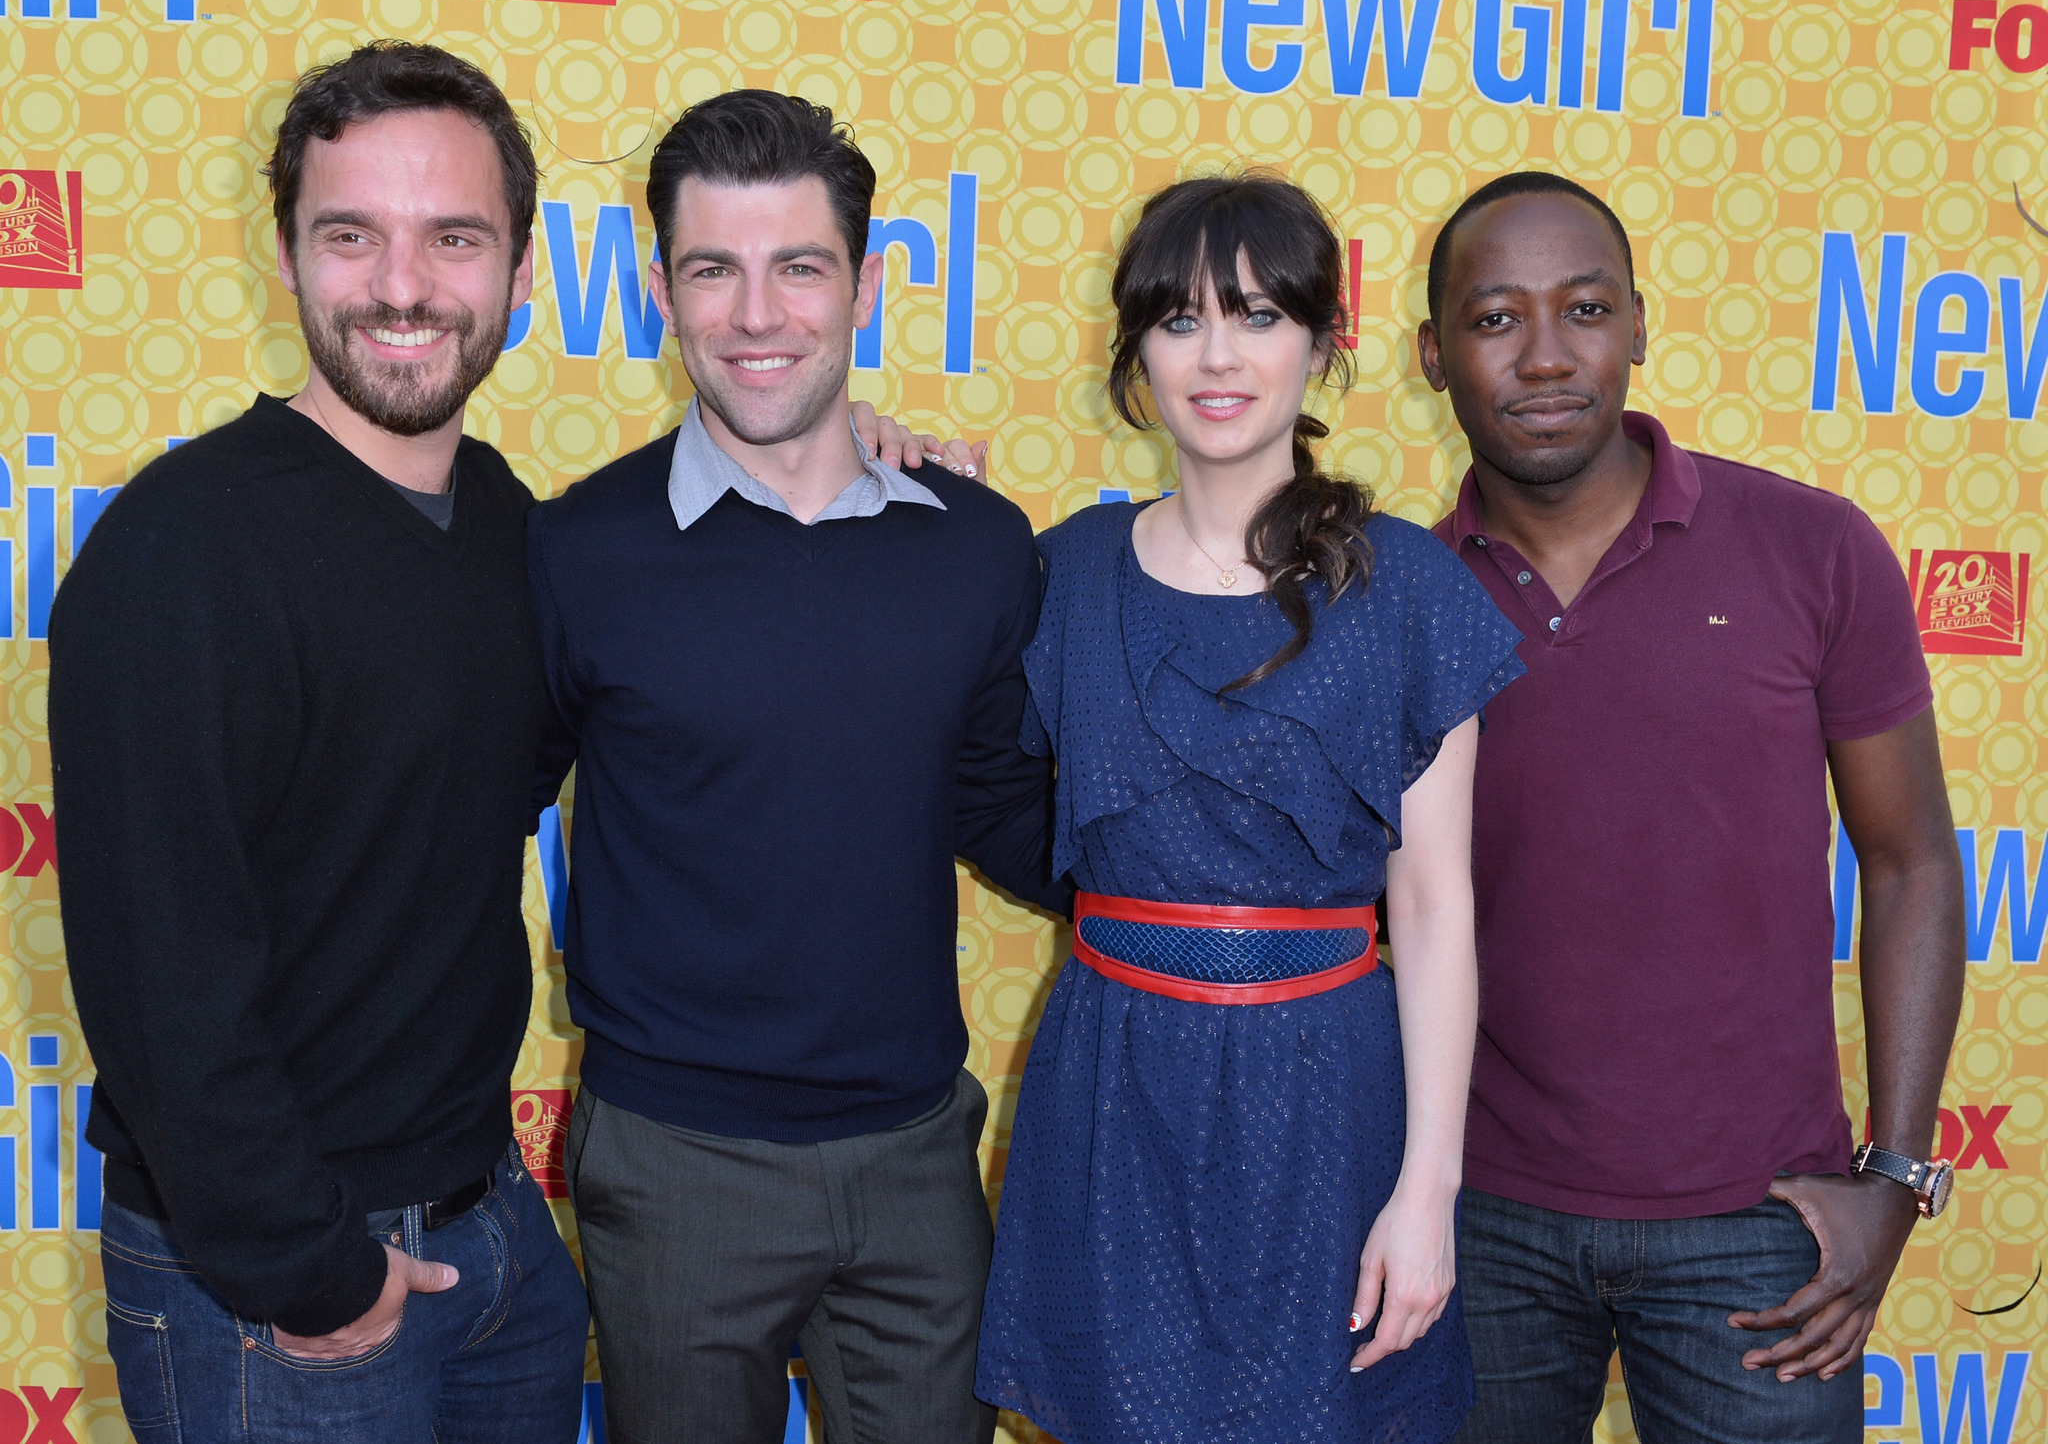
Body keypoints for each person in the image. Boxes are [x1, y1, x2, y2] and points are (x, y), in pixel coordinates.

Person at [50, 42, 592, 1444]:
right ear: (287, 256)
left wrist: (851, 472)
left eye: (453, 237)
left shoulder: (504, 520)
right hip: (283, 1275)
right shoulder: (182, 549)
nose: (405, 286)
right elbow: (160, 970)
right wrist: (311, 1266)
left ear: (522, 273)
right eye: (352, 235)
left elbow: (497, 788)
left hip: (493, 1236)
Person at [526, 89, 1067, 1444]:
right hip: (673, 1159)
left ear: (869, 284)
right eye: (715, 269)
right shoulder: (577, 552)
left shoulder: (977, 543)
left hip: (916, 1155)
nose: (758, 315)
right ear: (659, 290)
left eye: (800, 266)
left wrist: (1235, 904)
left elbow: (1007, 809)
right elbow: (465, 818)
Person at [975, 173, 1526, 1443]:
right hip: (1111, 1088)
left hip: (1329, 1095)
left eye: (1258, 315)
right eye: (1178, 320)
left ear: (1324, 343)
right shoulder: (1060, 573)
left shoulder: (1408, 591)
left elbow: (1435, 905)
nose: (1216, 356)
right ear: (1135, 352)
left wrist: (1427, 1189)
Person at [1417, 171, 1966, 1444]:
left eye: (1585, 308)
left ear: (1640, 328)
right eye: (1494, 319)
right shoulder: (1397, 596)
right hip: (1472, 1217)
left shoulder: (1812, 549)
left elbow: (1909, 864)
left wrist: (1891, 1173)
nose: (1545, 356)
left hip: (1760, 1228)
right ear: (1431, 357)